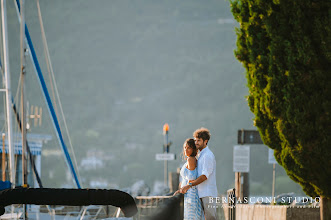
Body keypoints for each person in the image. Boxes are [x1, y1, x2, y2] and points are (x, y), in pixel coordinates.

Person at [181, 128, 218, 220]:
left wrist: (189, 184)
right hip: (201, 193)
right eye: (195, 140)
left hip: (208, 193)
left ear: (206, 141)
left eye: (199, 140)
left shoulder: (207, 156)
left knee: (211, 218)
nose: (196, 142)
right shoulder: (201, 155)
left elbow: (204, 176)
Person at [173, 138, 204, 220]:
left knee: (191, 217)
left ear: (193, 149)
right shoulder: (190, 159)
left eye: (189, 147)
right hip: (189, 193)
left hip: (191, 193)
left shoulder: (191, 159)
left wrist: (182, 188)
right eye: (185, 147)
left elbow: (192, 178)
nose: (186, 149)